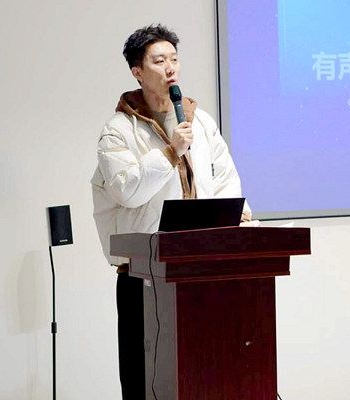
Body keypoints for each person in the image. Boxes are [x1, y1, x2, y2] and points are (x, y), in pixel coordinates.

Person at [91, 24, 255, 400]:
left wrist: (240, 221)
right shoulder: (118, 130)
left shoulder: (201, 122)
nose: (170, 68)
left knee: (202, 369)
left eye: (174, 59)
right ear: (137, 71)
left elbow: (225, 181)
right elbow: (126, 190)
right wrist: (169, 152)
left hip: (200, 269)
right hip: (142, 274)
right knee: (144, 375)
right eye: (159, 60)